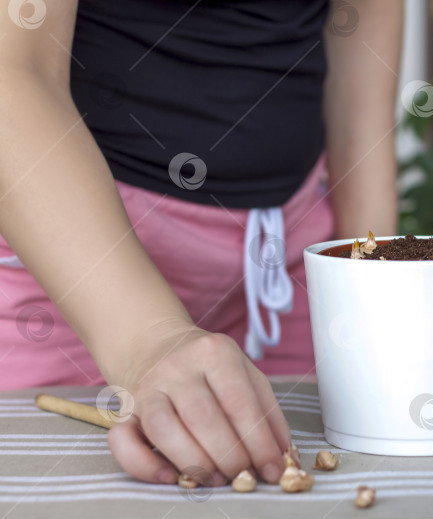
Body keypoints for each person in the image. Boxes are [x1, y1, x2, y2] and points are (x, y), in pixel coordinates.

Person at [0, 0, 402, 487]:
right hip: (77, 270)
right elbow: (14, 72)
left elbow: (360, 66)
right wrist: (149, 341)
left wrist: (373, 297)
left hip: (289, 264)